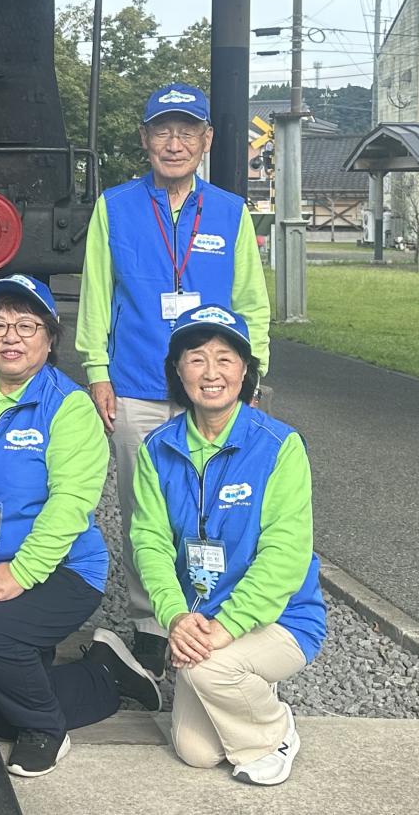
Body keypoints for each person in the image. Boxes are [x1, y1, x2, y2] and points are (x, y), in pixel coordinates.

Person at [0, 274, 159, 779]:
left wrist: (17, 574)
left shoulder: (68, 407)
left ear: (49, 339)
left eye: (26, 325)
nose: (10, 337)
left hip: (62, 571)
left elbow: (69, 505)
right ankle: (105, 673)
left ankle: (47, 728)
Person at [73, 81, 270, 678]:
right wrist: (97, 370)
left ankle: (211, 613)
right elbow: (97, 295)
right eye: (163, 131)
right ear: (145, 140)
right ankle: (153, 623)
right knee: (145, 511)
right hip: (135, 383)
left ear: (206, 141)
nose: (175, 143)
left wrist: (252, 371)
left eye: (188, 132)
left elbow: (250, 304)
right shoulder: (115, 206)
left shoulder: (231, 211)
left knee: (210, 506)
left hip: (210, 389)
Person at [129, 305, 325, 786]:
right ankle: (243, 686)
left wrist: (225, 629)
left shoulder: (279, 445)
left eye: (225, 358)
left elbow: (285, 556)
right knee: (195, 752)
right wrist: (176, 617)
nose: (211, 372)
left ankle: (276, 733)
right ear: (178, 370)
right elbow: (149, 542)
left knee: (208, 671)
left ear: (245, 371)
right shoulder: (158, 447)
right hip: (199, 620)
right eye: (196, 359)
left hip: (282, 618)